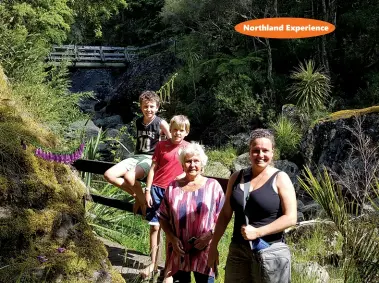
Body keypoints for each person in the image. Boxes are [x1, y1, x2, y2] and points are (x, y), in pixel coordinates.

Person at [207, 129, 297, 283]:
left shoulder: (280, 178)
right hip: (238, 250)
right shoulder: (237, 177)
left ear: (272, 152)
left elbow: (291, 218)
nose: (260, 155)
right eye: (255, 150)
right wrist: (213, 246)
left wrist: (258, 232)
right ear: (249, 152)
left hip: (269, 250)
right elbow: (225, 214)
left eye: (265, 150)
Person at [158, 143, 225, 283]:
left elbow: (223, 217)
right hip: (179, 251)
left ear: (202, 164)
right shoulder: (172, 187)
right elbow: (163, 217)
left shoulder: (213, 187)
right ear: (182, 164)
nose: (192, 165)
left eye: (196, 161)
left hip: (205, 251)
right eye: (188, 161)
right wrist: (172, 239)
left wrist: (210, 235)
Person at [140, 115, 190, 279]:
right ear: (171, 129)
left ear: (186, 132)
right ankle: (153, 263)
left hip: (175, 193)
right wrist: (147, 190)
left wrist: (180, 177)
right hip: (157, 189)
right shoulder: (161, 145)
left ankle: (168, 269)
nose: (177, 133)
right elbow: (153, 168)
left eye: (181, 130)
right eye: (175, 130)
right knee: (155, 227)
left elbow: (191, 169)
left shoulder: (188, 148)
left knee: (171, 232)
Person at [104, 91, 170, 215]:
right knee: (109, 175)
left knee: (129, 177)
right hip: (136, 156)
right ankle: (139, 196)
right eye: (145, 106)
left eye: (151, 106)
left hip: (150, 158)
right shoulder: (138, 122)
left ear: (157, 107)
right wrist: (136, 194)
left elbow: (171, 140)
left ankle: (142, 199)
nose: (148, 109)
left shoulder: (161, 123)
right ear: (141, 107)